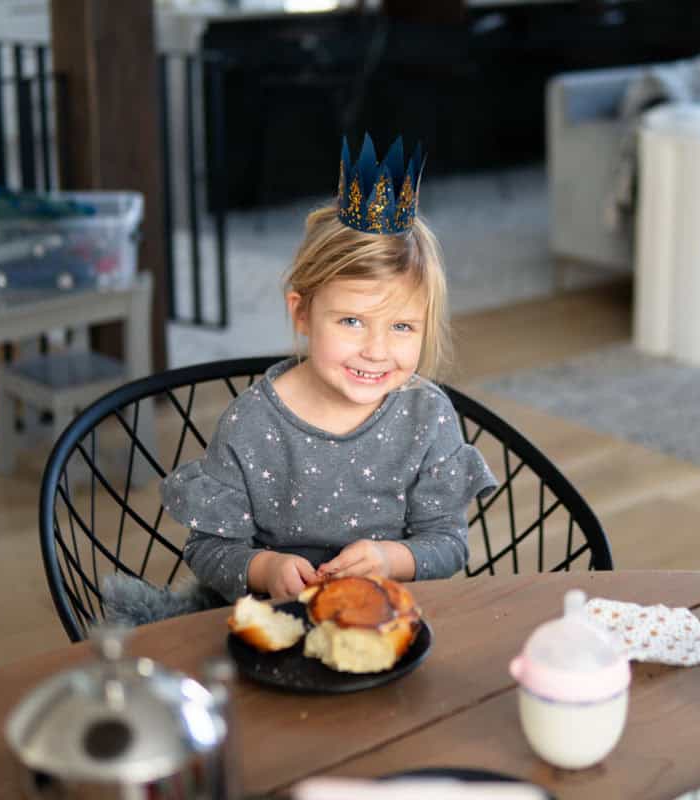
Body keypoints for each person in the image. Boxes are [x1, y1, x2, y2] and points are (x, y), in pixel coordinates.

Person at [159, 134, 498, 603]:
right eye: (352, 321)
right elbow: (209, 548)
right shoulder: (252, 423)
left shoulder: (427, 416)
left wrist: (389, 559)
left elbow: (447, 543)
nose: (376, 350)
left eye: (402, 326)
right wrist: (265, 568)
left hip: (384, 617)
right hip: (277, 619)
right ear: (302, 313)